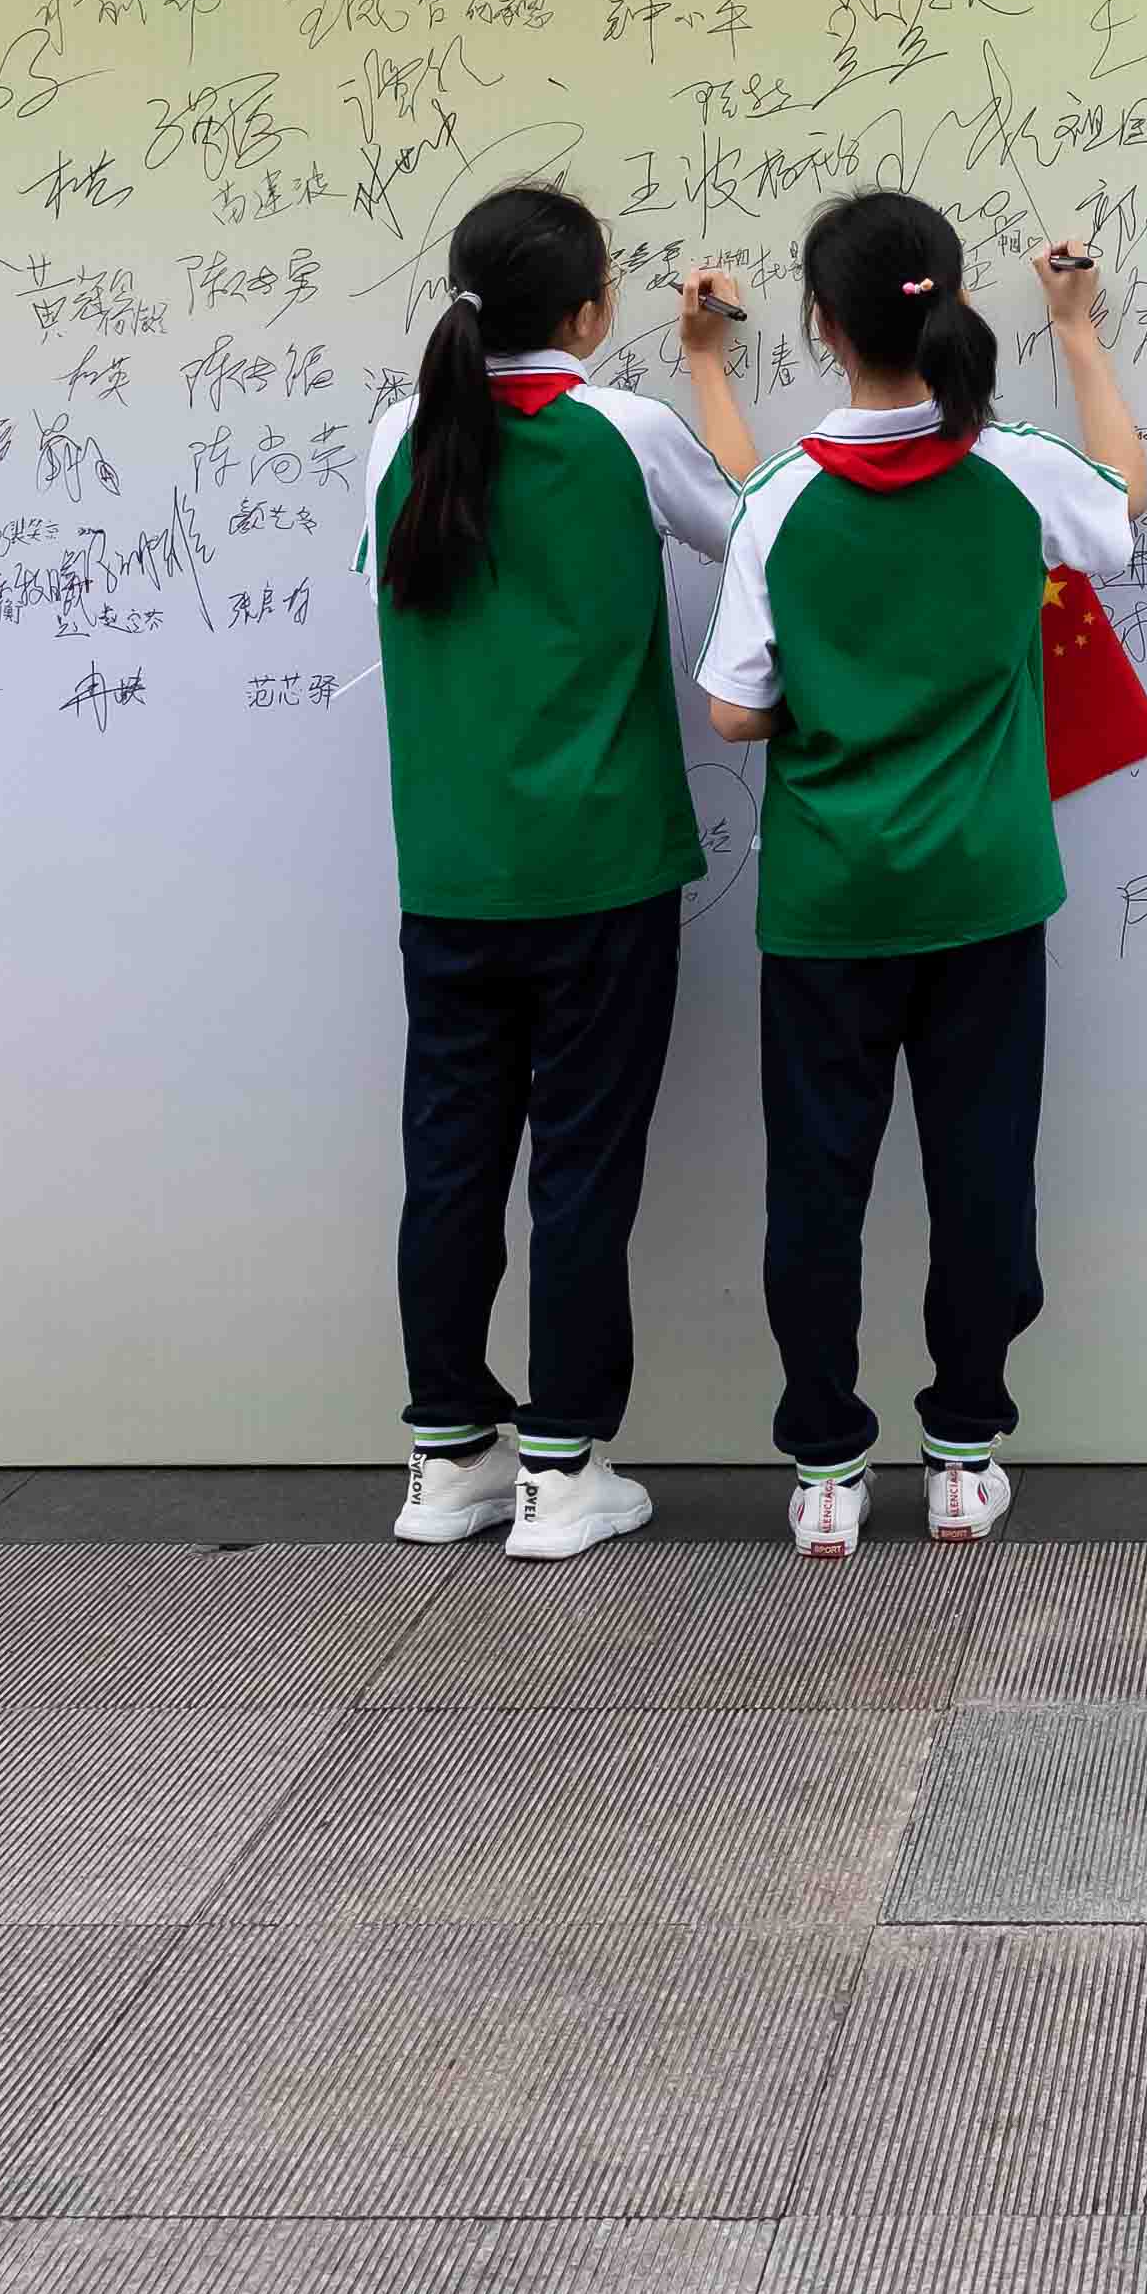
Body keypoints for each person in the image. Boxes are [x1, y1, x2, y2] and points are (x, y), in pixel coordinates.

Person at [698, 193, 1147, 1553]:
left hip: (829, 907)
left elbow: (731, 710)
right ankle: (961, 1450)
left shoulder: (780, 502)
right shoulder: (1016, 473)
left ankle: (825, 1470)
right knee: (981, 1171)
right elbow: (1122, 505)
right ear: (948, 303)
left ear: (819, 325)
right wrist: (1078, 336)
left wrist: (708, 370)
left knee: (816, 1187)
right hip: (985, 896)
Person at [362, 183, 753, 1561]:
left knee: (448, 1166)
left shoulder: (400, 435)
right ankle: (562, 1466)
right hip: (600, 870)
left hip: (450, 874)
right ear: (590, 311)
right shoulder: (621, 430)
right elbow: (756, 532)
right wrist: (706, 367)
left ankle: (444, 1456)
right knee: (580, 1170)